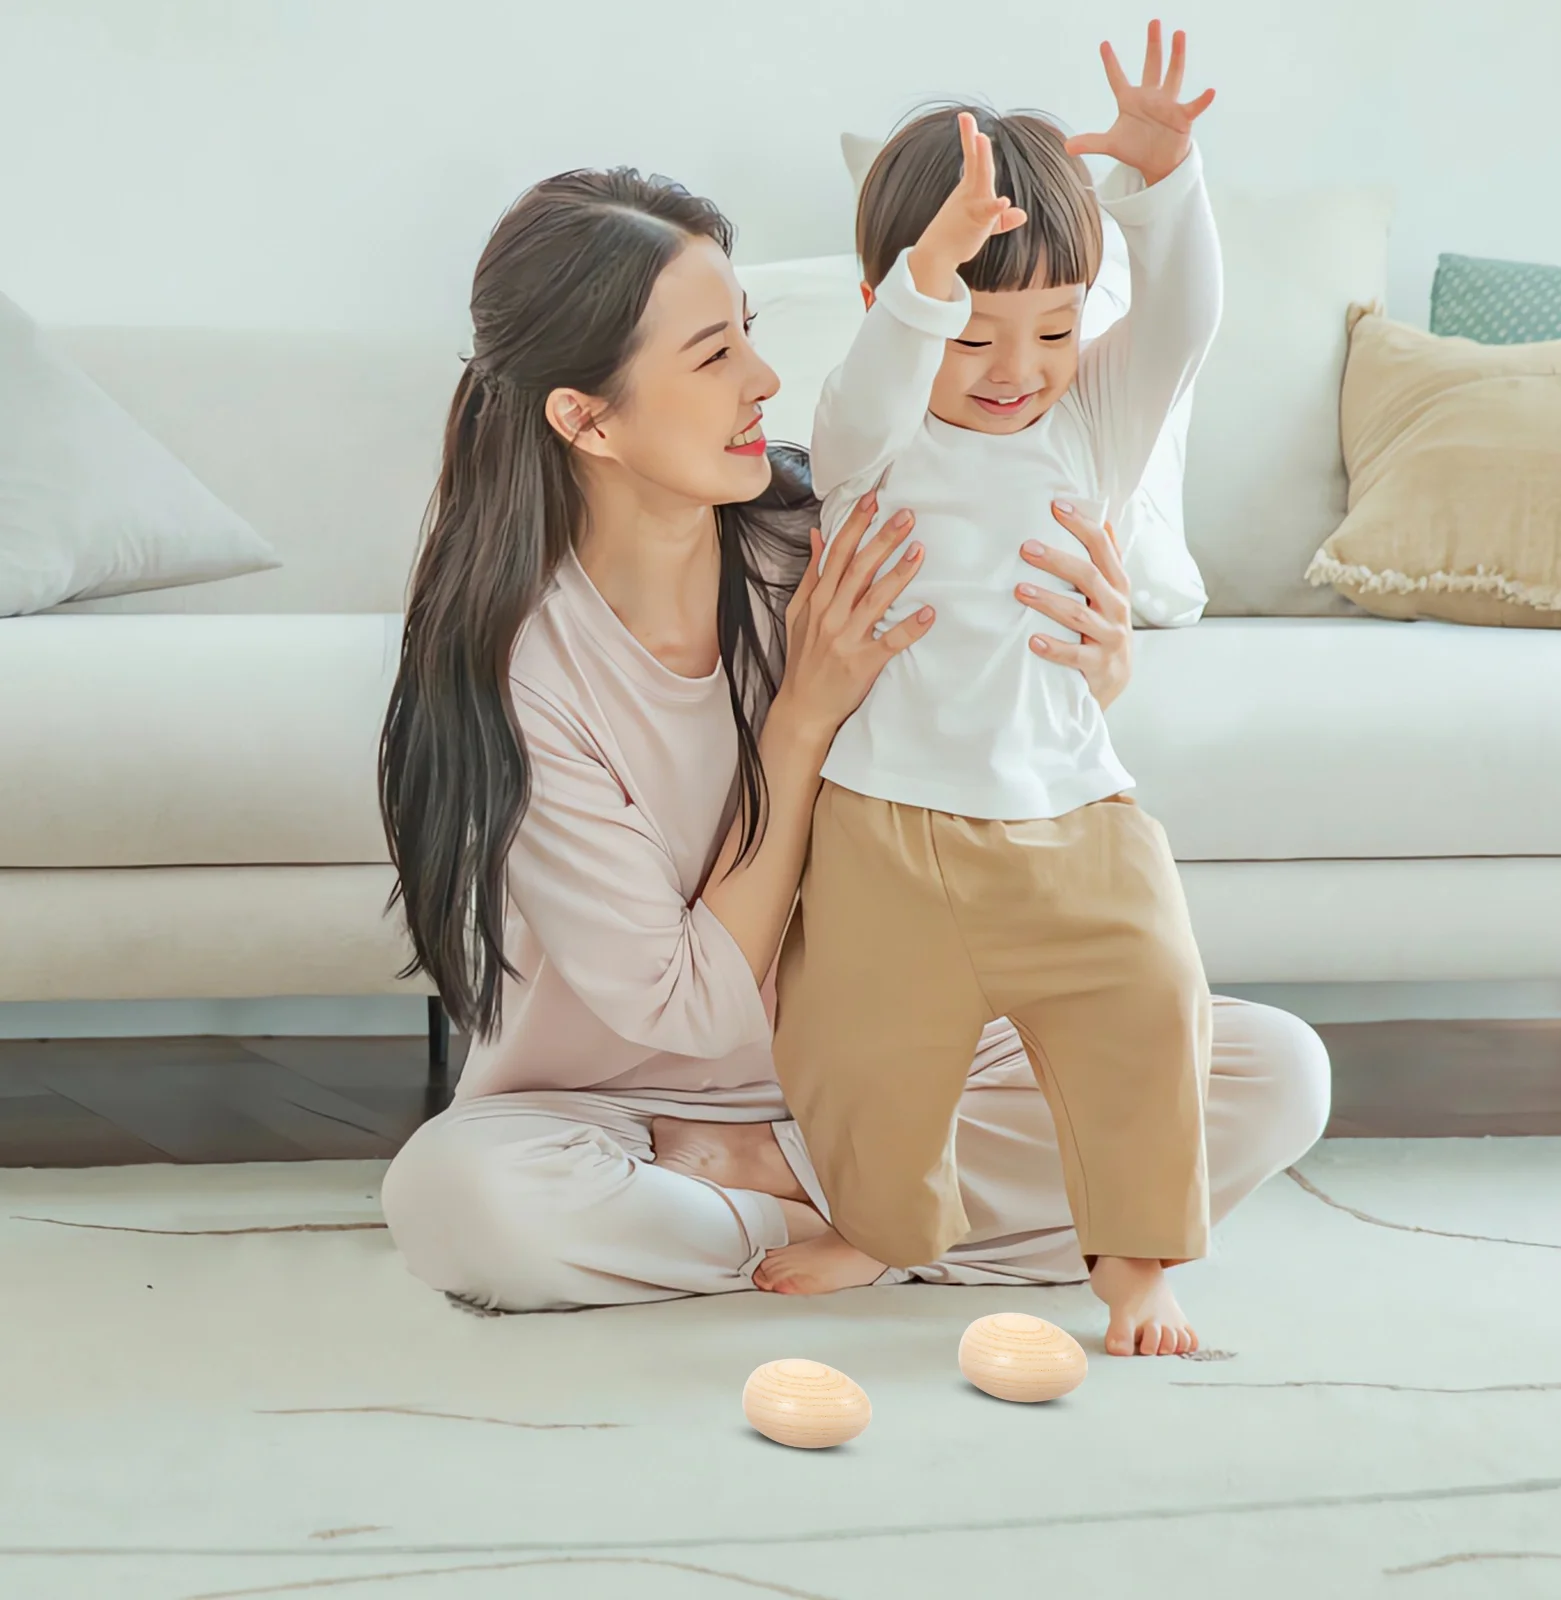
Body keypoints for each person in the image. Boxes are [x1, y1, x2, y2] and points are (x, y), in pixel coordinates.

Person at [376, 142, 1331, 1361]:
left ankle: (805, 1195)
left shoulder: (838, 542)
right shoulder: (528, 669)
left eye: (750, 331)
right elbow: (686, 1003)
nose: (765, 379)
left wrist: (1096, 667)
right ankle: (872, 1206)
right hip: (626, 1109)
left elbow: (992, 733)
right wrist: (800, 716)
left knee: (1273, 1071)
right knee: (463, 1202)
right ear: (585, 417)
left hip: (899, 1050)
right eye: (714, 355)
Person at [771, 26, 1221, 1355]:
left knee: (1152, 1001)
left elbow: (1183, 325)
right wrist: (927, 275)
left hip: (1077, 818)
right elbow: (873, 380)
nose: (1016, 366)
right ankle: (881, 1229)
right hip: (886, 825)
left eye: (1054, 327)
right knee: (859, 1051)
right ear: (898, 307)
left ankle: (1136, 1265)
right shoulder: (872, 436)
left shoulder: (1090, 428)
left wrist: (1163, 183)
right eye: (973, 333)